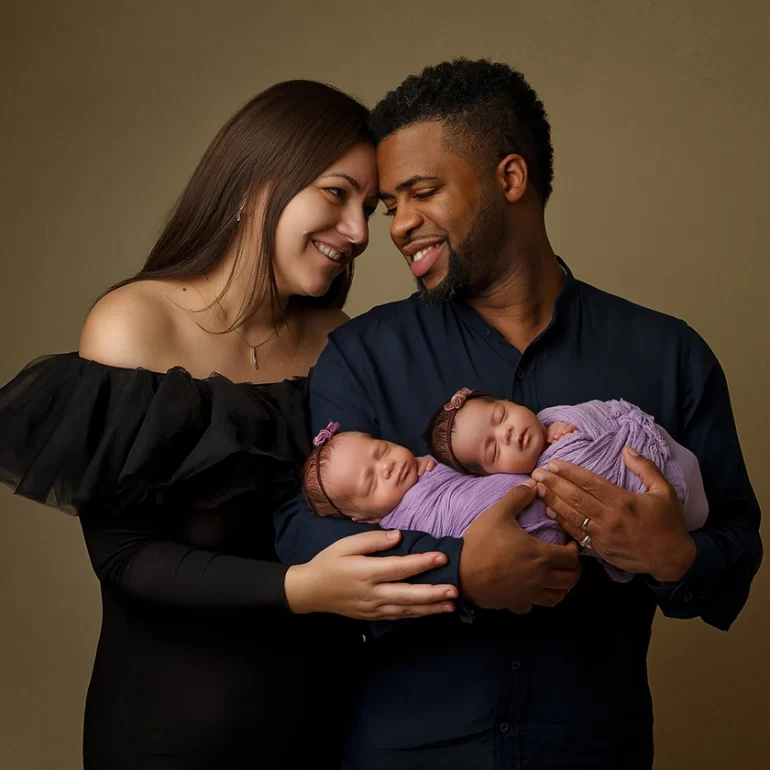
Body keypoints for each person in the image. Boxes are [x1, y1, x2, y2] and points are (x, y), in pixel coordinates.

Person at [274, 60, 762, 769]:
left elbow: (737, 553)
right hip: (404, 753)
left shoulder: (668, 354)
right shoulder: (361, 355)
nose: (400, 225)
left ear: (510, 178)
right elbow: (302, 535)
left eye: (423, 193)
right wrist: (461, 571)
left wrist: (674, 556)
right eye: (391, 207)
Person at [0, 80, 460, 770]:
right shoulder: (135, 323)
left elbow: (412, 495)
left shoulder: (346, 346)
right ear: (256, 185)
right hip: (169, 737)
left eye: (368, 208)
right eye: (336, 194)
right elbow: (126, 559)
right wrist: (300, 589)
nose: (361, 233)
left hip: (332, 729)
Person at [301, 388, 710, 582]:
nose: (387, 467)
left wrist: (566, 429)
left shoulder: (521, 433)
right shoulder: (407, 523)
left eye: (382, 452)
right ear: (364, 517)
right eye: (372, 481)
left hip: (661, 493)